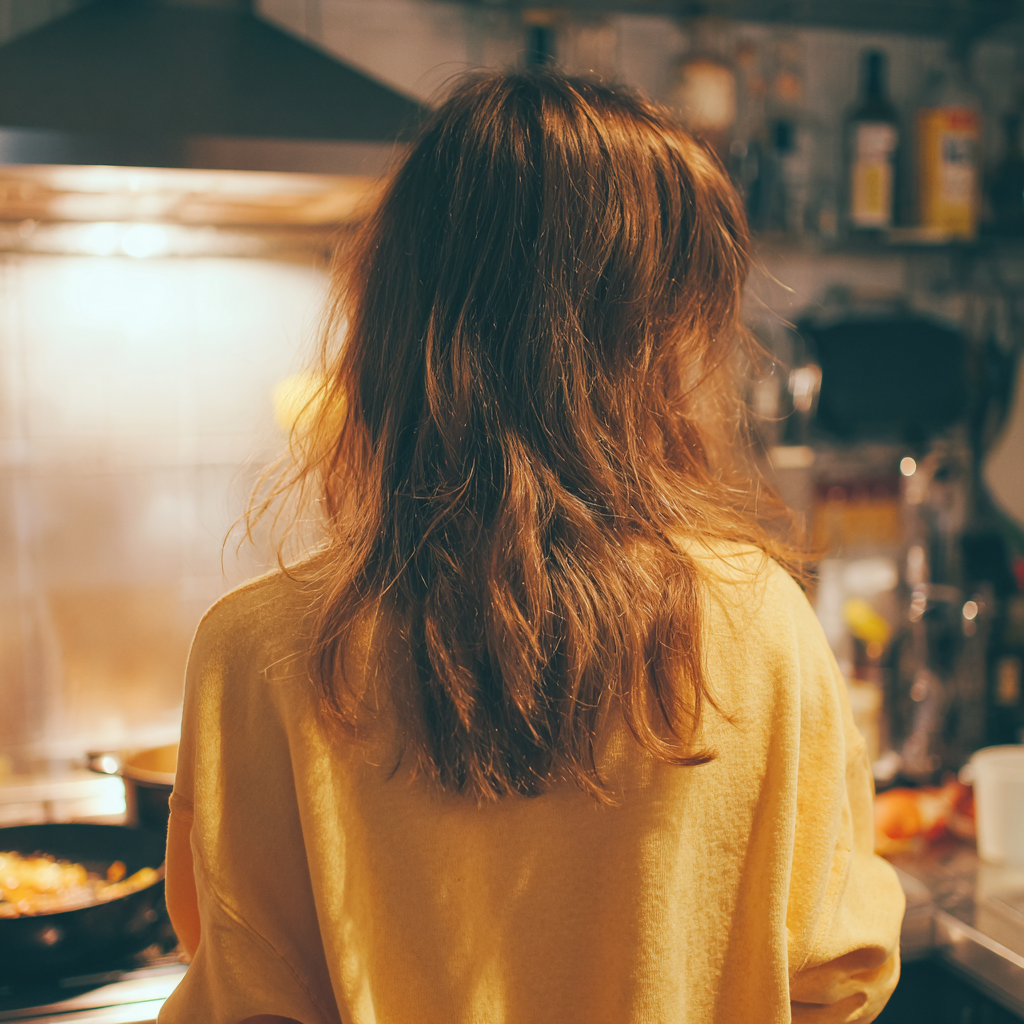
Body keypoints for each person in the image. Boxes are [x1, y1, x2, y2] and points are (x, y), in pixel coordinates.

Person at [160, 70, 904, 1024]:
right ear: (646, 342)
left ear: (398, 310)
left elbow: (245, 994)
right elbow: (838, 976)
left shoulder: (255, 653)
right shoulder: (765, 624)